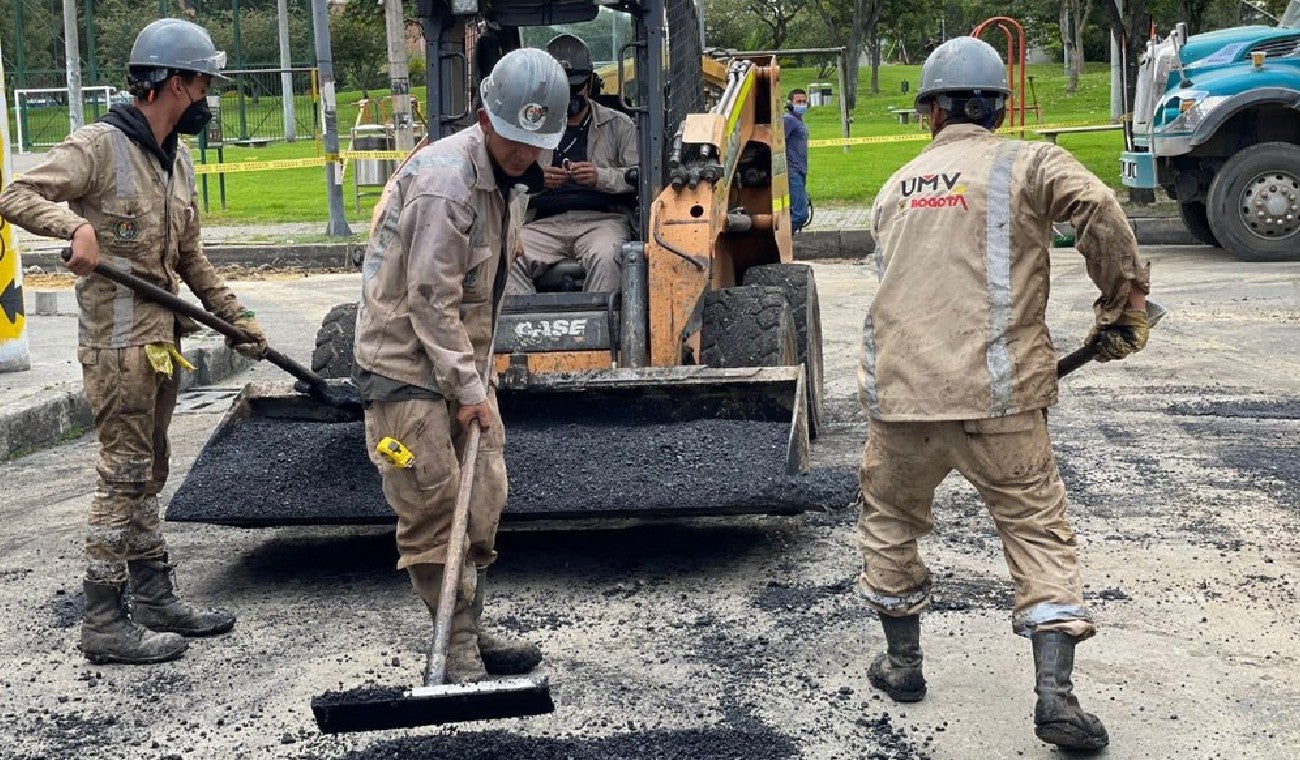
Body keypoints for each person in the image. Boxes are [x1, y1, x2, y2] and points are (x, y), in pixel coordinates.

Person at [857, 36, 1152, 750]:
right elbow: (1098, 206)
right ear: (999, 106)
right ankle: (1056, 699)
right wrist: (1123, 305)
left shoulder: (896, 185)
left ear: (928, 112)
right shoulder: (1029, 162)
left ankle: (902, 666)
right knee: (1035, 532)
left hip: (902, 400)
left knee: (892, 523)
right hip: (999, 398)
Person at [0, 19, 268, 665]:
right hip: (116, 347)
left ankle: (154, 596)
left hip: (160, 340)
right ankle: (103, 622)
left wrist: (237, 317)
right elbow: (15, 192)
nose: (208, 96)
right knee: (122, 476)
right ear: (175, 82)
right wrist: (73, 228)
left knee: (148, 473)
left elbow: (191, 258)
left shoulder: (177, 161)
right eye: (203, 83)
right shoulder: (98, 146)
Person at [353, 47, 570, 684]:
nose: (524, 153)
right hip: (405, 368)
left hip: (461, 368)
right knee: (431, 504)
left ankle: (469, 622)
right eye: (514, 139)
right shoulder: (447, 183)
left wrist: (476, 381)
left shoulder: (507, 182)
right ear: (485, 115)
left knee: (483, 496)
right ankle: (456, 642)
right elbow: (429, 298)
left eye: (536, 143)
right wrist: (468, 385)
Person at [505, 34, 638, 295]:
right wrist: (538, 180)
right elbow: (507, 176)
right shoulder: (528, 127)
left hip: (601, 222)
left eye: (576, 88)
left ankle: (599, 332)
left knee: (609, 256)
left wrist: (599, 177)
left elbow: (638, 176)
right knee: (504, 257)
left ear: (590, 83)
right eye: (561, 90)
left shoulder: (619, 124)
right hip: (541, 223)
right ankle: (528, 331)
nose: (569, 97)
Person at [784, 88, 811, 233]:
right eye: (798, 101)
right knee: (800, 215)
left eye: (804, 101)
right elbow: (779, 142)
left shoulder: (798, 121)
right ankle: (779, 240)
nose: (802, 104)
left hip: (800, 171)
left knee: (794, 212)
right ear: (790, 104)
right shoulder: (788, 120)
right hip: (792, 171)